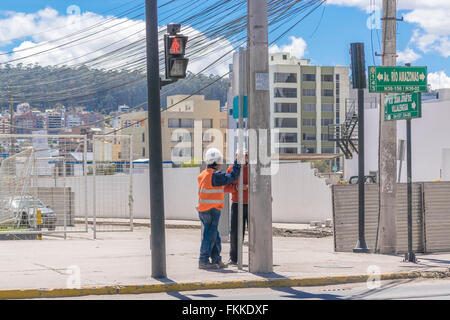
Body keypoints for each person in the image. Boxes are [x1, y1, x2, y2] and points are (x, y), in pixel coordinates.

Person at [197, 148, 240, 270]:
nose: (222, 164)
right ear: (216, 162)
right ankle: (203, 260)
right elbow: (232, 177)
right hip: (211, 211)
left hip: (204, 210)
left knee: (214, 236)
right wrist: (237, 162)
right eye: (220, 161)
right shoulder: (215, 176)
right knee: (209, 236)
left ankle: (216, 259)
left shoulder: (203, 174)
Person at [224, 149, 248, 265]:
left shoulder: (253, 169)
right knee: (234, 232)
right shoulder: (231, 169)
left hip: (251, 205)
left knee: (255, 232)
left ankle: (256, 258)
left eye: (244, 156)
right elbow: (226, 188)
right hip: (237, 204)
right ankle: (233, 258)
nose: (242, 159)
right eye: (239, 157)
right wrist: (238, 188)